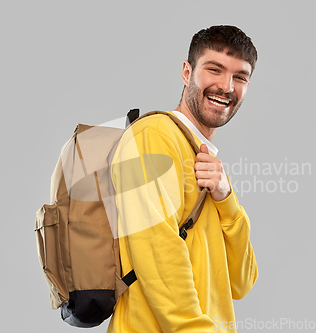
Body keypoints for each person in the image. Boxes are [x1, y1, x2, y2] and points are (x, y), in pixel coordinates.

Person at [107, 25, 258, 333]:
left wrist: (226, 198)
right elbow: (157, 249)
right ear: (187, 72)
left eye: (239, 77)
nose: (227, 86)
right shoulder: (152, 137)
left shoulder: (208, 164)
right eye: (214, 69)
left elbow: (242, 281)